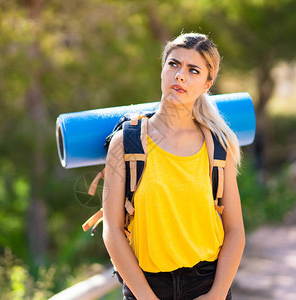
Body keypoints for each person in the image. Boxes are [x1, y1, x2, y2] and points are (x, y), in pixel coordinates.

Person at [102, 32, 245, 300]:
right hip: (146, 286)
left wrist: (216, 294)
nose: (180, 75)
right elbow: (112, 230)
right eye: (174, 64)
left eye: (193, 70)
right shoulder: (126, 143)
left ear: (207, 84)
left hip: (206, 284)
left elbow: (235, 230)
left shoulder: (217, 145)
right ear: (162, 70)